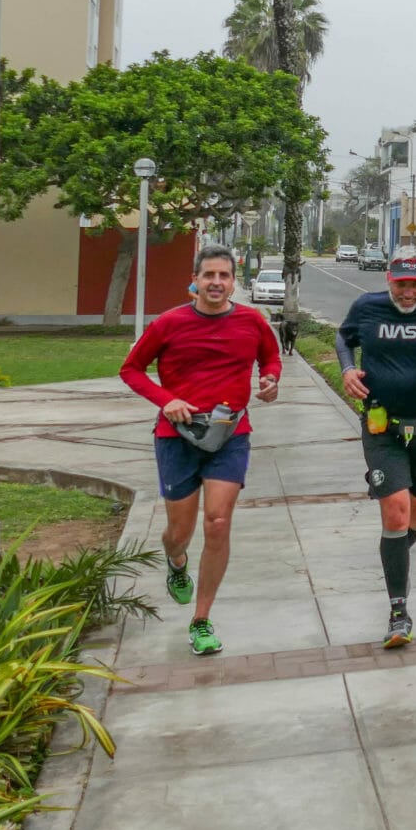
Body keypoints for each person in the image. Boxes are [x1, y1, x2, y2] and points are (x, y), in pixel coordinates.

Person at [120, 243, 281, 655]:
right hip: (177, 436)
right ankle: (176, 563)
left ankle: (202, 619)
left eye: (224, 275)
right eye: (208, 275)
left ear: (233, 281)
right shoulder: (168, 324)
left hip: (230, 433)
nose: (216, 282)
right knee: (180, 533)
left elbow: (270, 357)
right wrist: (165, 400)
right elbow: (131, 370)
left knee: (218, 522)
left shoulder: (251, 321)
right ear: (194, 280)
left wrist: (269, 381)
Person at [338, 249, 416, 648]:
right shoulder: (367, 307)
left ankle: (393, 556)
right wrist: (347, 368)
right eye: (401, 284)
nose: (408, 293)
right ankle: (399, 613)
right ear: (388, 280)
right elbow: (344, 338)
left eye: (415, 285)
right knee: (396, 513)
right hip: (382, 426)